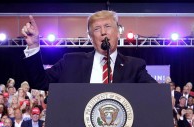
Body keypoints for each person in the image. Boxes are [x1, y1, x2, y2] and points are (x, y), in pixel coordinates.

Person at [21, 10, 156, 89]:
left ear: (118, 32)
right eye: (97, 29)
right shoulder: (71, 62)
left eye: (108, 26)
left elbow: (156, 94)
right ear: (91, 37)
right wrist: (33, 46)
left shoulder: (134, 66)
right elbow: (40, 81)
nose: (103, 32)